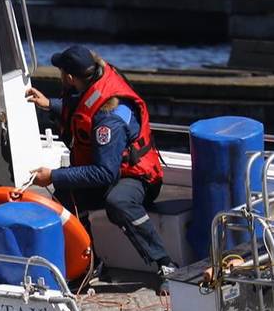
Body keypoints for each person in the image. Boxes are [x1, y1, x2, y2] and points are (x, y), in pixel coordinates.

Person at [24, 45, 175, 279]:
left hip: (138, 178)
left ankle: (165, 264)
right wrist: (50, 104)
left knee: (118, 202)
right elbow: (82, 109)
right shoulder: (94, 83)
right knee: (65, 195)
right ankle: (90, 263)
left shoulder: (108, 119)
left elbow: (105, 173)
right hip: (113, 170)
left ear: (70, 77)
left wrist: (53, 175)